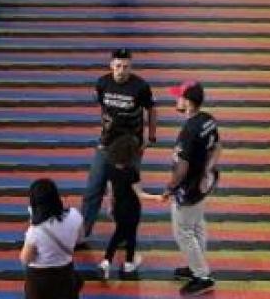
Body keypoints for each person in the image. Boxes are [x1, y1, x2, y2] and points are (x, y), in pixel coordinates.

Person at [81, 48, 157, 241]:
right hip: (106, 145)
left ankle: (122, 228)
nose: (122, 70)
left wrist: (152, 135)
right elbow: (103, 109)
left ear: (131, 67)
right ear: (111, 66)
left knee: (124, 193)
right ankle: (83, 232)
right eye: (118, 66)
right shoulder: (102, 83)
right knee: (93, 189)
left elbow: (151, 109)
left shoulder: (140, 87)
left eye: (126, 67)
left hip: (130, 149)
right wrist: (104, 131)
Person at [151, 81, 219, 296]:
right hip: (203, 184)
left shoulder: (189, 131)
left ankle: (202, 277)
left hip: (188, 189)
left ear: (188, 103)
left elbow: (182, 168)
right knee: (197, 225)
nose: (176, 100)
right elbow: (217, 146)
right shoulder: (208, 120)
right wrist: (207, 171)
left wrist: (169, 189)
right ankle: (196, 266)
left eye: (179, 96)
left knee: (183, 233)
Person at [20, 178, 83, 299]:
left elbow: (25, 259)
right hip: (65, 275)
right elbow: (80, 239)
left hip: (40, 280)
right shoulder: (75, 215)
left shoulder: (35, 231)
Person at [99, 133, 146, 279]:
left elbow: (110, 189)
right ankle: (128, 263)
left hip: (118, 207)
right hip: (132, 208)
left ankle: (106, 261)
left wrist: (110, 206)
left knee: (118, 233)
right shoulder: (132, 172)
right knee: (131, 235)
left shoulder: (110, 168)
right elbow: (140, 194)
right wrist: (158, 197)